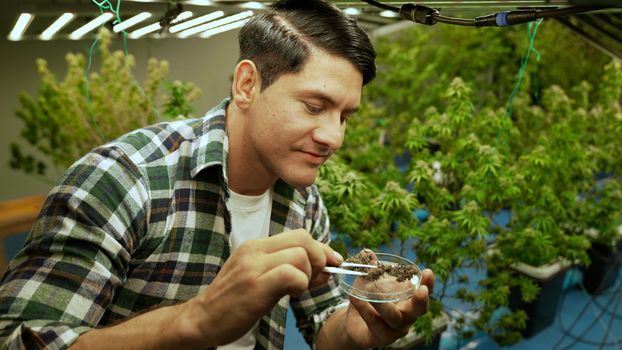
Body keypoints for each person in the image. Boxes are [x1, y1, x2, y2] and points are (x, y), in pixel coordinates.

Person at [0, 1, 435, 349]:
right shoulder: (123, 179)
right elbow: (18, 338)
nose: (333, 137)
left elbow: (323, 321)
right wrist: (194, 321)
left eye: (345, 116)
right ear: (247, 85)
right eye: (314, 106)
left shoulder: (303, 199)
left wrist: (355, 333)